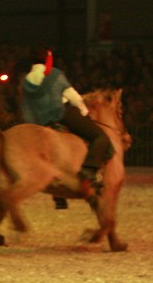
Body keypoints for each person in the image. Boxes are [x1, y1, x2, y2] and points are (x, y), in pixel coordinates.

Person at [21, 47, 112, 197]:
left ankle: (58, 196)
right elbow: (73, 96)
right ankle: (89, 170)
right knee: (100, 137)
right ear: (47, 59)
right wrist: (84, 111)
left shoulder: (26, 80)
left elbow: (27, 104)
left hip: (38, 121)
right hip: (61, 114)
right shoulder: (54, 74)